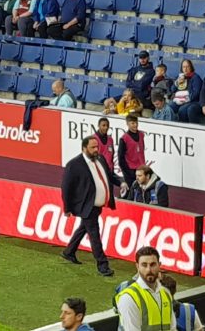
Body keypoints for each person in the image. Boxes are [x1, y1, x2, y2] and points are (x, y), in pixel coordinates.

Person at [61, 136, 128, 276]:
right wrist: (67, 208)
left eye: (97, 147)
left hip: (97, 205)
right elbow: (66, 188)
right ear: (84, 148)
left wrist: (121, 182)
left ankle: (69, 252)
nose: (96, 149)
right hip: (86, 206)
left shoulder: (100, 159)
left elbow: (109, 175)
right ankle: (103, 265)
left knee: (84, 228)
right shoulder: (74, 165)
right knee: (94, 234)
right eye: (93, 147)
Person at [116, 246, 177, 330]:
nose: (149, 270)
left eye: (153, 264)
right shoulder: (128, 298)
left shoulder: (166, 293)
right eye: (144, 265)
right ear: (137, 266)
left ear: (159, 265)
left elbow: (172, 328)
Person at [118, 115, 145, 187]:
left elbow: (142, 151)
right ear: (127, 124)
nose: (135, 125)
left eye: (136, 122)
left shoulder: (141, 135)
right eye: (133, 123)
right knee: (131, 190)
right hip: (130, 170)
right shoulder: (124, 138)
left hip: (141, 168)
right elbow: (120, 158)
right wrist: (127, 172)